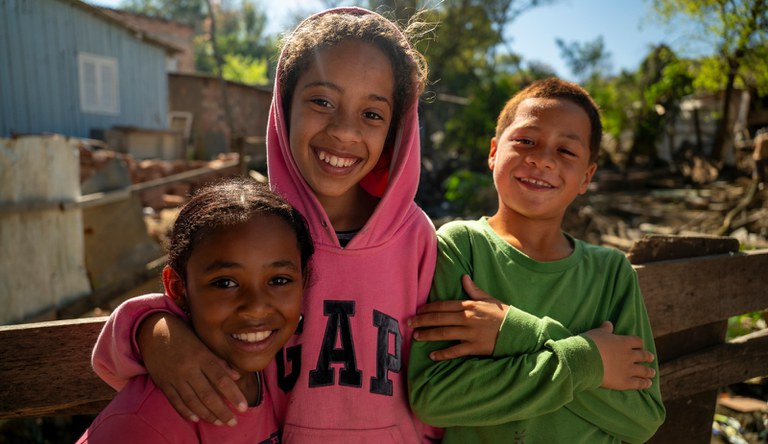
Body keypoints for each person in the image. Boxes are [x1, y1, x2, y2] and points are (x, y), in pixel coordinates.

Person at [91, 7, 440, 443]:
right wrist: (152, 331)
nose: (345, 131)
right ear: (283, 107)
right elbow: (183, 301)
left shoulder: (416, 237)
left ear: (395, 129)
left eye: (372, 114)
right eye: (322, 101)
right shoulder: (256, 231)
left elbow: (436, 364)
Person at [407, 78, 666, 443]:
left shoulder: (611, 273)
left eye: (566, 151)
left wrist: (515, 333)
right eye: (526, 141)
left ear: (586, 177)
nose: (542, 159)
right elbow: (435, 398)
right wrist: (589, 361)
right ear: (494, 151)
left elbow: (641, 418)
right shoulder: (461, 246)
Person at [78, 177, 314, 443]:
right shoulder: (146, 424)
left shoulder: (272, 377)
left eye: (279, 280)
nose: (256, 308)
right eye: (225, 283)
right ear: (178, 288)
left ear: (303, 280)